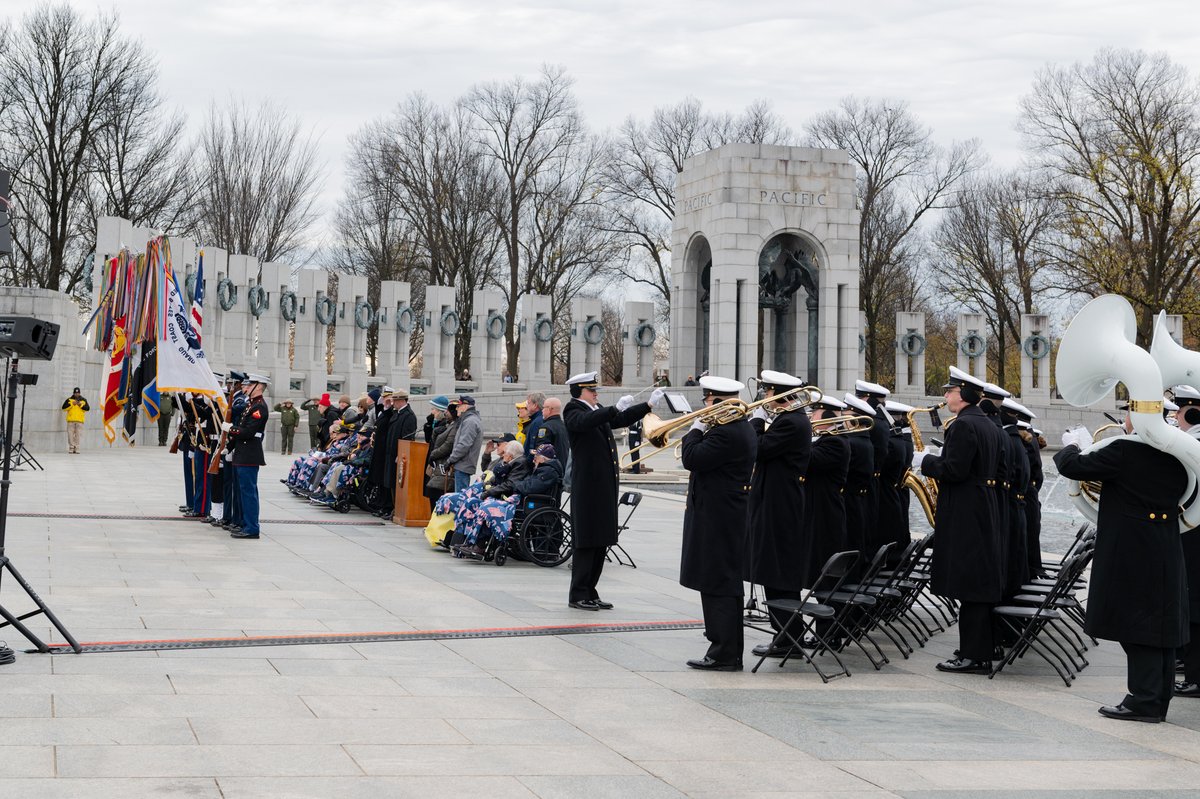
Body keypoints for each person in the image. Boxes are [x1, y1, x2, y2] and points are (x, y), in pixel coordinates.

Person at [1056, 410, 1189, 723]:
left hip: (1132, 546)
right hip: (1165, 541)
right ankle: (1157, 698)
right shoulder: (1178, 450)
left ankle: (1142, 700)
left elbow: (1072, 467)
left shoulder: (1124, 449)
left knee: (1137, 625)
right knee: (1159, 624)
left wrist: (1073, 445)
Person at [911, 366, 1002, 674]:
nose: (946, 395)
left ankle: (972, 655)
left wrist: (926, 462)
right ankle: (977, 649)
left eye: (949, 391)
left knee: (969, 586)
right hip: (982, 507)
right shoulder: (987, 423)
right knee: (977, 583)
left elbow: (955, 470)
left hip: (966, 511)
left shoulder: (963, 425)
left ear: (962, 394)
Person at [564, 372, 662, 610]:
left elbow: (622, 418)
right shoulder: (573, 411)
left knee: (599, 541)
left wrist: (647, 405)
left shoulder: (594, 412)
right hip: (587, 488)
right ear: (579, 392)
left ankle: (590, 590)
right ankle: (578, 594)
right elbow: (586, 423)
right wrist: (611, 409)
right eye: (591, 390)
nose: (596, 393)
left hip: (602, 488)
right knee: (586, 542)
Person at [680, 375, 757, 670]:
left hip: (719, 516)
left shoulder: (727, 432)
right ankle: (726, 649)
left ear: (717, 400)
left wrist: (695, 429)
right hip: (724, 513)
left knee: (717, 582)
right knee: (722, 581)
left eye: (707, 401)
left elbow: (692, 457)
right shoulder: (740, 428)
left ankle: (723, 652)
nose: (704, 408)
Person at [745, 370, 812, 659]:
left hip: (779, 506)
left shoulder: (791, 422)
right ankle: (787, 636)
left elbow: (758, 449)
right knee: (775, 572)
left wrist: (757, 421)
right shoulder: (791, 419)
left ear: (776, 394)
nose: (764, 399)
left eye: (767, 394)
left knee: (777, 573)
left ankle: (788, 638)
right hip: (778, 502)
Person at [1171, 385, 1200, 701]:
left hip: (1194, 533)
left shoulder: (1192, 445)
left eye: (1178, 412)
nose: (1175, 419)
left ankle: (1196, 676)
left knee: (1193, 606)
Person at [805, 396, 851, 586]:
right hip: (821, 509)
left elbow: (807, 459)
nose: (811, 418)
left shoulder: (836, 442)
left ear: (828, 416)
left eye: (814, 413)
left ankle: (830, 615)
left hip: (826, 513)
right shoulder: (828, 440)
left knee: (825, 573)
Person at [225, 374, 270, 540]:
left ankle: (251, 528)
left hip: (249, 454)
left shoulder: (259, 408)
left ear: (258, 386)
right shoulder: (251, 405)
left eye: (250, 384)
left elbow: (248, 432)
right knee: (245, 492)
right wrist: (229, 447)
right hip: (243, 453)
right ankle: (246, 524)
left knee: (248, 493)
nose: (246, 387)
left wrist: (230, 429)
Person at [447, 396, 484, 492]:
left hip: (463, 465)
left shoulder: (470, 421)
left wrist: (451, 460)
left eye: (458, 406)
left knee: (460, 498)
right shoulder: (470, 419)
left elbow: (464, 445)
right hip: (463, 465)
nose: (456, 409)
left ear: (465, 406)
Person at [537, 397, 570, 466]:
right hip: (565, 466)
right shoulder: (565, 425)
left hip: (551, 468)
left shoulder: (545, 427)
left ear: (549, 409)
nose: (542, 410)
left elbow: (542, 452)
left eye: (544, 408)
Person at [61, 387, 90, 453]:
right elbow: (63, 408)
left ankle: (77, 448)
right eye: (75, 393)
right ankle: (71, 448)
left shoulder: (83, 400)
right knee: (70, 435)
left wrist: (81, 405)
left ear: (79, 393)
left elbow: (87, 408)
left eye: (78, 393)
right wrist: (71, 404)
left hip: (79, 421)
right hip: (71, 420)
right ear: (73, 393)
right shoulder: (69, 400)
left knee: (78, 435)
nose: (76, 394)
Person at [523, 392, 545, 457]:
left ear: (535, 405)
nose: (526, 406)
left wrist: (528, 461)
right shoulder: (540, 419)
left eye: (528, 403)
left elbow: (533, 446)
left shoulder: (537, 422)